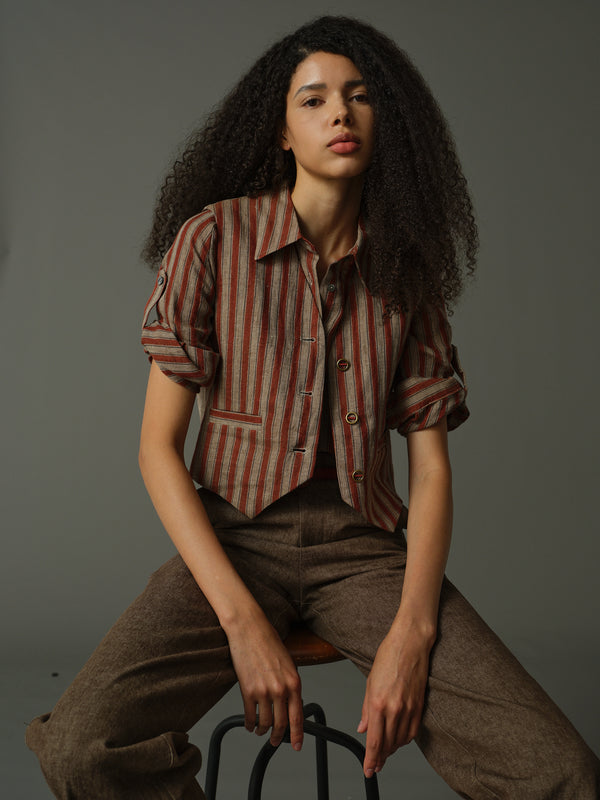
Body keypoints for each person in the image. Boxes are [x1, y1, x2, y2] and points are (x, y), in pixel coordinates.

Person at [26, 15, 599, 799]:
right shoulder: (213, 240)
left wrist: (412, 635)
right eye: (314, 99)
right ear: (282, 133)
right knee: (81, 749)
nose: (340, 114)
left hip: (364, 550)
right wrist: (241, 625)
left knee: (563, 773)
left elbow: (430, 471)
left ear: (384, 123)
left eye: (359, 97)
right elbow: (157, 449)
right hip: (233, 540)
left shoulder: (406, 272)